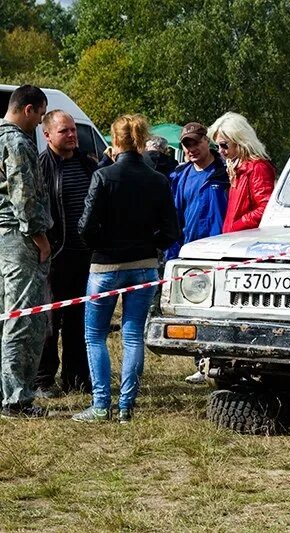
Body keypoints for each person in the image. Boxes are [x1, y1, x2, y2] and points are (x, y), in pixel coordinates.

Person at [73, 114, 179, 423]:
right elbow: (171, 231)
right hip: (145, 265)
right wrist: (150, 244)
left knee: (95, 336)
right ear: (142, 139)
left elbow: (86, 227)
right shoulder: (158, 180)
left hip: (106, 265)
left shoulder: (104, 176)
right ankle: (125, 407)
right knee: (133, 335)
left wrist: (101, 243)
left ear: (115, 141)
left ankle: (101, 404)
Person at [35, 110, 98, 397]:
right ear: (47, 135)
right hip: (53, 257)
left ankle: (76, 378)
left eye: (73, 130)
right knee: (49, 322)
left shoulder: (88, 165)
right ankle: (43, 379)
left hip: (84, 257)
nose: (73, 135)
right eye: (65, 131)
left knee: (79, 321)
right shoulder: (40, 168)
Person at [0, 85, 51, 419]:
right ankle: (17, 399)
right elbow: (24, 195)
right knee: (22, 318)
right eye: (41, 115)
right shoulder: (17, 141)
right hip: (18, 238)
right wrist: (39, 236)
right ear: (28, 109)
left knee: (5, 316)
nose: (40, 122)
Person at [166, 122, 228, 383]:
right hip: (192, 250)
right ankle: (202, 362)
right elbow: (175, 218)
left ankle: (223, 361)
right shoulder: (181, 176)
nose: (191, 149)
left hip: (224, 250)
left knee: (222, 308)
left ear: (207, 141)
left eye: (195, 142)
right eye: (186, 145)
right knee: (196, 309)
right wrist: (173, 254)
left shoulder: (224, 173)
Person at [208, 112, 276, 233]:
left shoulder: (257, 167)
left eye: (224, 145)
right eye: (217, 146)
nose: (220, 151)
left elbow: (265, 208)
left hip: (246, 241)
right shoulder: (236, 167)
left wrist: (235, 226)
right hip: (235, 238)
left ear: (239, 141)